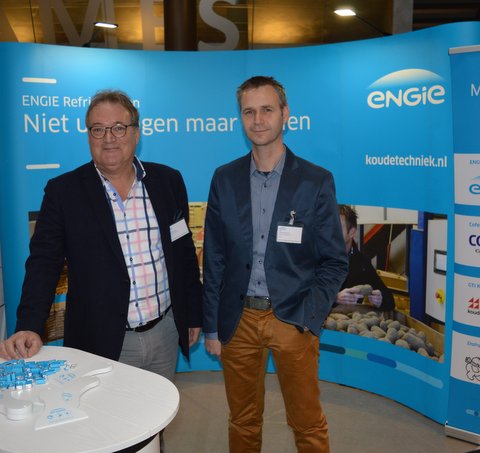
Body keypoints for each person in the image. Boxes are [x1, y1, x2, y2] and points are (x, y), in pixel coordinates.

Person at [0, 90, 202, 382]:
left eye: (119, 128)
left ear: (136, 133)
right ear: (88, 136)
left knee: (159, 410)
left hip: (165, 332)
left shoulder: (168, 181)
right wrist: (29, 324)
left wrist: (192, 313)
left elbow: (183, 253)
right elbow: (43, 264)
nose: (109, 138)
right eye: (98, 129)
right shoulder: (63, 192)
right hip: (100, 341)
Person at [202, 76, 348, 452]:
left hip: (292, 319)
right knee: (243, 420)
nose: (258, 120)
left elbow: (334, 260)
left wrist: (310, 316)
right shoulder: (224, 178)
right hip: (238, 320)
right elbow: (214, 257)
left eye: (267, 109)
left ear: (285, 113)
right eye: (248, 111)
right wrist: (212, 327)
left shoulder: (315, 180)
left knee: (307, 424)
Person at [335, 205, 395, 311]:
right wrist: (335, 298)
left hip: (349, 319)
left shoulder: (362, 263)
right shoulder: (315, 257)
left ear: (352, 232)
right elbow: (305, 296)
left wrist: (380, 299)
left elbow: (390, 301)